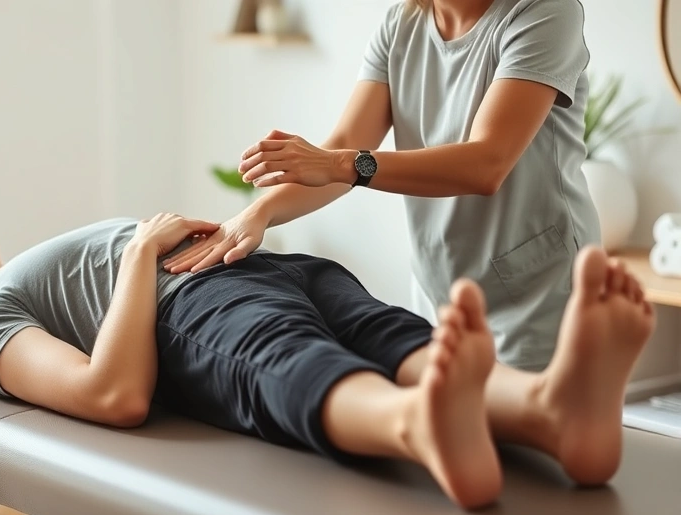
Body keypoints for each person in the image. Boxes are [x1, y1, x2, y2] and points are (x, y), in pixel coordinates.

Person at [0, 214, 652, 510]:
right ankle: (414, 428)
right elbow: (111, 393)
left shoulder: (12, 284)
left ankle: (550, 413)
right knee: (285, 360)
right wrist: (144, 253)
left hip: (265, 267)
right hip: (185, 305)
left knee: (395, 336)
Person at [165, 0, 599, 374]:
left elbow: (486, 162)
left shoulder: (543, 12)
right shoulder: (401, 24)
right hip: (441, 292)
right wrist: (256, 215)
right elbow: (344, 148)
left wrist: (338, 163)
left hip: (541, 300)